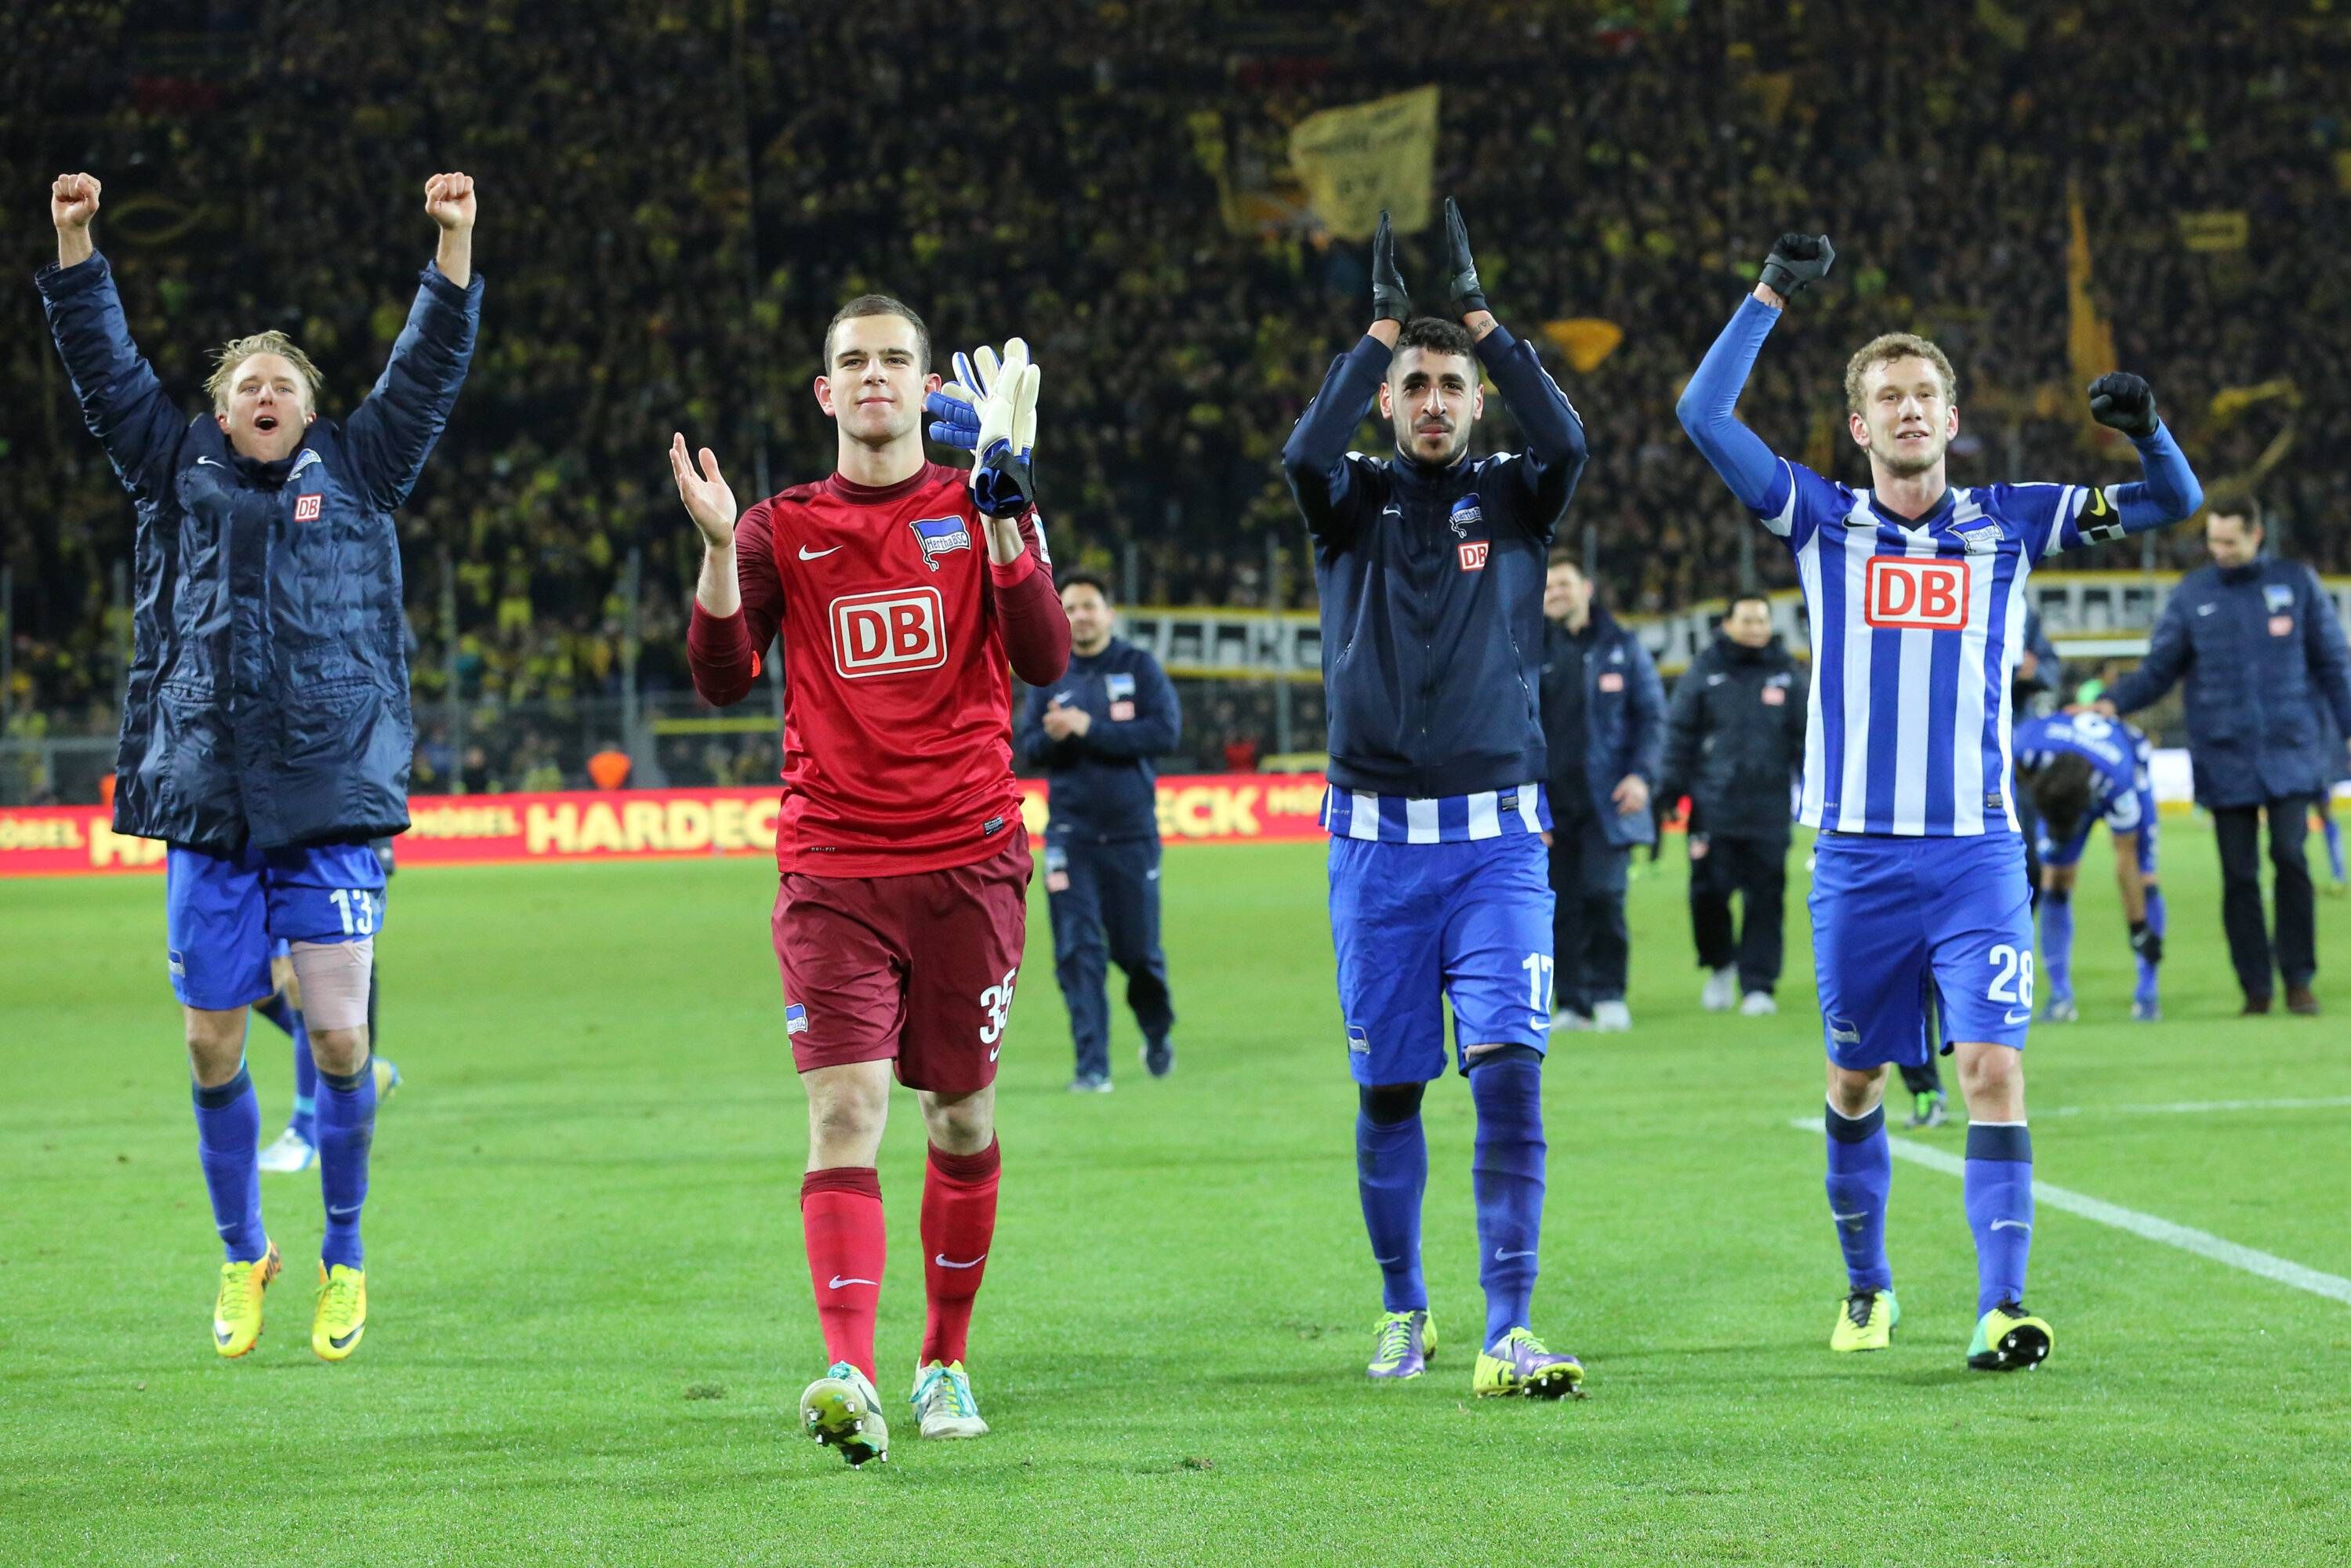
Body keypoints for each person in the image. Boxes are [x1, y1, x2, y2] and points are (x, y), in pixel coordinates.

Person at [1678, 232, 2202, 1371]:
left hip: (1972, 852)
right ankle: (1866, 1289)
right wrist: (1768, 292)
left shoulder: (2011, 520)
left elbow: (2175, 500)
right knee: (1855, 1077)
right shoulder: (1816, 518)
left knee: (1990, 1068)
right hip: (1858, 856)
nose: (1908, 411)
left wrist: (2145, 427)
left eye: (1924, 394)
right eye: (1886, 398)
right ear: (1857, 428)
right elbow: (1703, 416)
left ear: (1949, 420)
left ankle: (2001, 1305)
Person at [39, 170, 482, 1363]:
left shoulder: (364, 467)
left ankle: (343, 1256)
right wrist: (77, 249)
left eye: (284, 381)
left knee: (340, 1042)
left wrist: (453, 247)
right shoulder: (167, 467)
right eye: (247, 383)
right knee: (209, 1042)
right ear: (221, 410)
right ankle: (245, 1254)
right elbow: (106, 373)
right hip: (207, 800)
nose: (267, 391)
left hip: (332, 797)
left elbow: (426, 372)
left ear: (309, 407)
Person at [674, 299, 1068, 1467]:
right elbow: (721, 677)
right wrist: (709, 550)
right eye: (852, 362)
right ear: (825, 391)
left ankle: (941, 1362)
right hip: (833, 868)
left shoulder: (980, 497)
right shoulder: (778, 524)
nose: (874, 378)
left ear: (925, 382)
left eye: (895, 360)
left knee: (959, 1116)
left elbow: (1043, 655)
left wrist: (1006, 518)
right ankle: (847, 1367)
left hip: (969, 862)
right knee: (844, 1112)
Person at [1282, 202, 1592, 1397]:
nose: (1429, 402)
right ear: (1384, 398)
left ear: (1474, 400)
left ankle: (1507, 1322)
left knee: (1510, 1072)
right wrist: (1369, 335)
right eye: (1409, 384)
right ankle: (1403, 1308)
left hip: (1496, 845)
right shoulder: (1346, 499)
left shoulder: (1515, 492)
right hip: (1372, 850)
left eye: (1448, 385)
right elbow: (1300, 457)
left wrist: (1485, 327)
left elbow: (1569, 443)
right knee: (1391, 1088)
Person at [2098, 499, 2351, 1015]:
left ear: (2255, 535)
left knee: (2290, 858)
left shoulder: (2297, 584)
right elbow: (2158, 669)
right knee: (2237, 875)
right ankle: (2254, 988)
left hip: (2290, 749)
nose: (2220, 551)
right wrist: (2113, 702)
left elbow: (2333, 664)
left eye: (2229, 542)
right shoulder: (2193, 594)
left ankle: (2298, 979)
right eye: (2213, 541)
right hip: (2223, 754)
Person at [1015, 570, 1181, 1091]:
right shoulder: (1048, 673)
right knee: (1077, 952)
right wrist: (1056, 737)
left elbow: (1164, 732)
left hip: (1131, 836)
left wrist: (1089, 729)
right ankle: (1092, 1068)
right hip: (1070, 837)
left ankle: (1155, 1032)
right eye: (1070, 607)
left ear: (1108, 614)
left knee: (1138, 956)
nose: (1080, 615)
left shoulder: (1138, 665)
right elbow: (1026, 749)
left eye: (1089, 606)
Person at [1659, 591, 1804, 1017]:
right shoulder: (1703, 673)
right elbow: (1679, 735)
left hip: (1768, 807)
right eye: (1748, 620)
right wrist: (1669, 790)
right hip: (1712, 806)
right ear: (1727, 624)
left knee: (1766, 897)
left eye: (1763, 620)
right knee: (1709, 893)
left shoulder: (1786, 674)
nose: (1757, 628)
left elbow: (1805, 740)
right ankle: (1721, 966)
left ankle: (1758, 984)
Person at [1539, 554, 1663, 1032]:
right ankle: (1571, 1002)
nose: (1556, 594)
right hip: (1551, 805)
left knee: (1604, 896)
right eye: (1548, 589)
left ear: (1586, 588)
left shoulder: (1622, 646)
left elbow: (1652, 718)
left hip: (1608, 802)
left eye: (1563, 585)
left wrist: (1641, 777)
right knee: (1559, 906)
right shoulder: (1528, 650)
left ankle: (1609, 993)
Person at [2013, 713, 2164, 1022]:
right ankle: (2060, 997)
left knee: (2145, 878)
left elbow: (2126, 859)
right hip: (2067, 778)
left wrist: (2138, 927)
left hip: (2128, 766)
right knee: (2054, 881)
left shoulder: (2118, 784)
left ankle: (2148, 993)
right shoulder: (2028, 745)